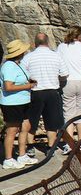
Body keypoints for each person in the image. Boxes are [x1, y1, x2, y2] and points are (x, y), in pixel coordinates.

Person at [21, 33, 70, 155]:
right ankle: (50, 147)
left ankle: (30, 147)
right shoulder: (56, 56)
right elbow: (65, 73)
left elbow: (22, 75)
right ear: (48, 42)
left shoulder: (28, 57)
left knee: (32, 121)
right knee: (52, 122)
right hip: (52, 91)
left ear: (35, 43)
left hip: (35, 92)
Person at [1, 40, 38, 168]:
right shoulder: (9, 66)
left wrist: (28, 82)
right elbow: (8, 87)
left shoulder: (18, 64)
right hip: (12, 103)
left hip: (23, 101)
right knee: (12, 130)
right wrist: (28, 85)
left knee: (25, 127)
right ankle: (8, 159)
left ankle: (22, 155)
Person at [56, 26, 81, 142]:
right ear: (80, 35)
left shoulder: (61, 47)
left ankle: (69, 143)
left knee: (68, 113)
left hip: (67, 81)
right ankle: (80, 141)